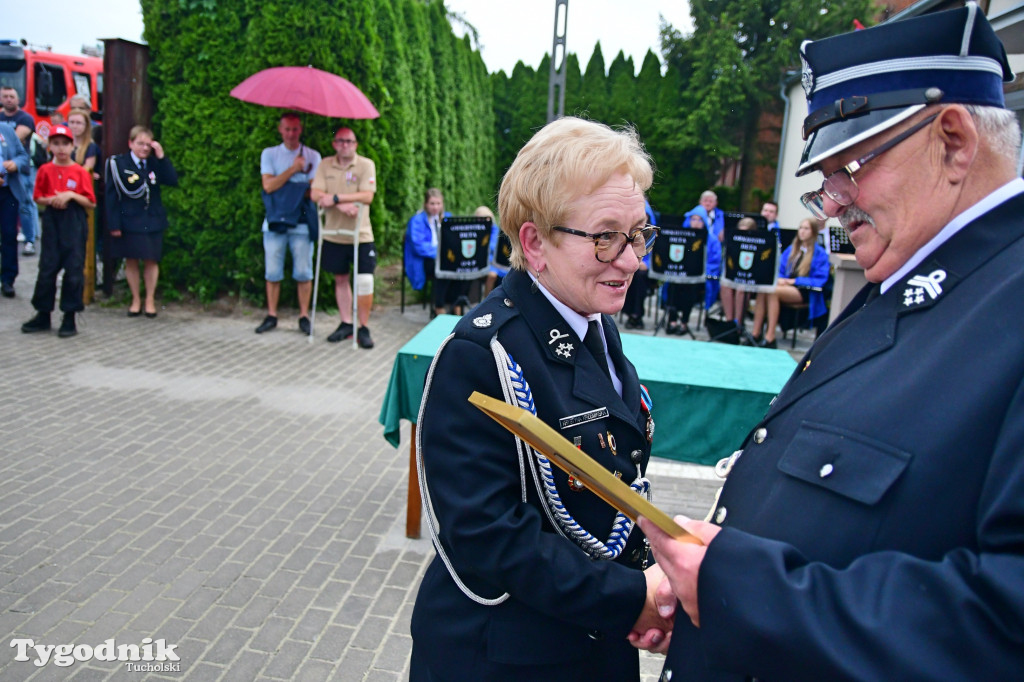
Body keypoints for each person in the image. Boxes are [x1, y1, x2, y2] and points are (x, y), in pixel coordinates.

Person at [640, 6, 1024, 680]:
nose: (833, 201)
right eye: (826, 176)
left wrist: (742, 591)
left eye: (851, 164)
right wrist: (712, 597)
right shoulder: (908, 276)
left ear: (956, 141)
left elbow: (1003, 622)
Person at [410, 117, 670, 682]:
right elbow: (489, 536)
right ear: (534, 243)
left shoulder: (594, 321)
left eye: (638, 234)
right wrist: (631, 595)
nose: (631, 260)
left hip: (593, 640)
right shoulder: (482, 355)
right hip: (508, 658)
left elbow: (614, 490)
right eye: (605, 237)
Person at [20, 125, 96, 337]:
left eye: (65, 143)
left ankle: (70, 316)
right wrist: (52, 199)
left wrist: (70, 195)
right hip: (53, 219)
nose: (61, 148)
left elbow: (90, 202)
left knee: (73, 270)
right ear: (50, 146)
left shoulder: (80, 172)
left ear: (72, 145)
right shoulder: (45, 170)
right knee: (47, 268)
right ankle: (43, 314)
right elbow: (38, 197)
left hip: (74, 221)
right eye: (56, 144)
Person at [310, 126, 377, 348]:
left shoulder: (366, 165)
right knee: (340, 279)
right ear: (334, 144)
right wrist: (341, 204)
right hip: (334, 234)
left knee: (365, 281)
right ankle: (346, 323)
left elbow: (367, 196)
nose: (345, 145)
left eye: (349, 141)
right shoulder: (325, 164)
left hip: (361, 234)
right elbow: (315, 193)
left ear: (355, 144)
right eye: (341, 141)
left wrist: (337, 198)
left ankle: (363, 327)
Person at [255, 113, 320, 335]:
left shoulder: (313, 155)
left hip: (301, 222)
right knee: (272, 271)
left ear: (300, 130)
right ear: (280, 130)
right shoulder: (269, 154)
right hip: (275, 222)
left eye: (295, 129)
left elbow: (314, 191)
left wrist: (291, 182)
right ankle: (272, 315)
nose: (291, 134)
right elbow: (269, 186)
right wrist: (293, 171)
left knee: (303, 271)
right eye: (287, 129)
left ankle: (303, 316)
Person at [105, 125, 178, 318]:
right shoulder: (119, 164)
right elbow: (112, 196)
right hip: (130, 220)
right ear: (130, 143)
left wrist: (161, 156)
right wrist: (114, 224)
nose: (144, 148)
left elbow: (172, 179)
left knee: (152, 260)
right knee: (132, 260)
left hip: (152, 219)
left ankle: (150, 300)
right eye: (140, 144)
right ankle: (136, 299)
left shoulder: (154, 163)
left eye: (148, 145)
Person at [750, 217, 830, 348]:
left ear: (814, 232)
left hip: (805, 290)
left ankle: (770, 337)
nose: (802, 231)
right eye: (801, 228)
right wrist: (781, 279)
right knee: (764, 289)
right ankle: (756, 333)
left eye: (806, 228)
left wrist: (794, 281)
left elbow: (820, 280)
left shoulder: (820, 253)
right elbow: (780, 269)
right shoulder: (792, 249)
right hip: (785, 286)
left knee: (773, 291)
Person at [404, 188, 468, 318]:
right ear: (426, 204)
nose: (435, 207)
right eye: (432, 203)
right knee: (442, 268)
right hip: (423, 261)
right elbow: (419, 247)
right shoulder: (416, 220)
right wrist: (441, 253)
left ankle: (456, 305)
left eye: (438, 203)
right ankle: (439, 307)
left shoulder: (447, 218)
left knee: (462, 267)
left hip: (443, 258)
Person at [1, 86, 38, 256]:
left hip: (20, 170)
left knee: (25, 203)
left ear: (18, 99)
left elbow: (16, 138)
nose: (9, 99)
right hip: (4, 169)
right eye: (5, 96)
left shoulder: (26, 118)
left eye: (12, 96)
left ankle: (30, 239)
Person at [663, 210, 709, 335]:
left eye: (699, 220)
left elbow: (713, 261)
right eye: (693, 219)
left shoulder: (710, 238)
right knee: (673, 285)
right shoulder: (680, 235)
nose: (696, 222)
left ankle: (684, 322)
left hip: (697, 277)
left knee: (690, 289)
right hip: (677, 274)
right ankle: (672, 321)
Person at [0, 120, 30, 298]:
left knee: (9, 234)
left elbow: (23, 156)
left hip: (8, 192)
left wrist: (15, 164)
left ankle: (8, 279)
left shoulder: (6, 130)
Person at [622, 199, 656, 329]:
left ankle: (636, 314)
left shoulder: (653, 234)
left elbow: (657, 256)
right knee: (632, 274)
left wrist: (646, 263)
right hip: (632, 266)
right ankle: (632, 314)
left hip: (647, 270)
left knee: (640, 277)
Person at [718, 216, 758, 328]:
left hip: (751, 279)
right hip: (734, 276)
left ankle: (738, 323)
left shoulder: (757, 244)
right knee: (725, 285)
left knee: (741, 288)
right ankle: (730, 322)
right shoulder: (733, 243)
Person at [478, 205, 506, 295]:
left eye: (487, 219)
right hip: (485, 262)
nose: (485, 222)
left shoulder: (496, 231)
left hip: (496, 261)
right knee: (492, 275)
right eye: (481, 219)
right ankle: (487, 300)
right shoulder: (477, 233)